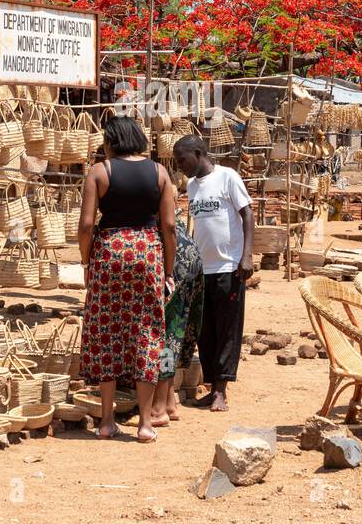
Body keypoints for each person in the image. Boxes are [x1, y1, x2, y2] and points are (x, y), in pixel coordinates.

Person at [77, 115, 177, 442]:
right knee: (147, 330)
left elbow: (87, 226)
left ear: (112, 141)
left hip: (109, 254)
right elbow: (170, 228)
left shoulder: (100, 172)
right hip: (148, 254)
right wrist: (169, 270)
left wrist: (86, 261)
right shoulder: (160, 173)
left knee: (107, 328)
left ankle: (106, 421)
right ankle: (146, 424)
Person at [173, 134, 254, 412]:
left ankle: (221, 391)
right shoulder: (193, 187)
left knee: (227, 330)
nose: (179, 166)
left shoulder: (228, 177)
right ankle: (211, 387)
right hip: (201, 270)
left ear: (198, 153)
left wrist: (246, 255)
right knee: (205, 332)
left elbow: (247, 215)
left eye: (182, 160)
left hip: (229, 267)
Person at [150, 214, 204, 425]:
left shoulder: (146, 186)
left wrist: (169, 272)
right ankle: (170, 403)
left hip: (174, 260)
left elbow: (168, 227)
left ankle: (158, 410)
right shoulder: (159, 184)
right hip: (188, 257)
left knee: (165, 336)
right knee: (173, 332)